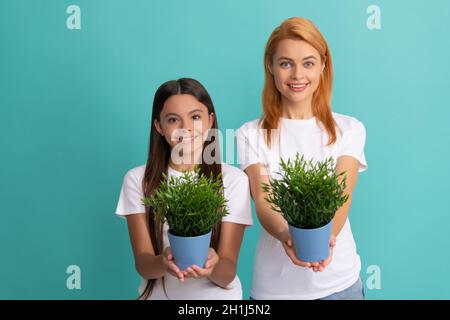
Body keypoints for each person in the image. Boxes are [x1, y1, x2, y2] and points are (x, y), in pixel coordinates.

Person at [236, 17, 367, 300]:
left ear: (323, 65)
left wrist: (326, 240)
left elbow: (342, 192)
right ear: (270, 66)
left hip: (340, 285)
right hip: (276, 291)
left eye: (308, 63)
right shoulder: (250, 134)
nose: (297, 75)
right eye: (286, 63)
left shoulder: (349, 129)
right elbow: (264, 198)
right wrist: (287, 235)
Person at [116, 78, 253, 299]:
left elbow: (227, 271)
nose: (186, 128)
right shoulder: (139, 180)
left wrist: (212, 267)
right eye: (173, 120)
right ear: (159, 126)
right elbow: (143, 263)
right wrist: (163, 261)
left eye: (195, 117)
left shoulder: (233, 180)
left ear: (210, 121)